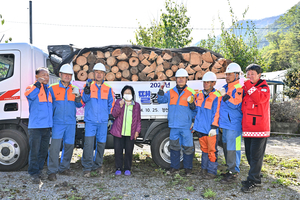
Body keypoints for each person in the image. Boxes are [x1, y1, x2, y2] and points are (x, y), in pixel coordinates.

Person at [47, 64, 83, 181]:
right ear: (60, 75)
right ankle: (52, 171)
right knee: (55, 147)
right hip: (57, 122)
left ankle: (64, 168)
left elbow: (79, 105)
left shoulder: (74, 88)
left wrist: (78, 97)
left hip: (71, 122)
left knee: (69, 146)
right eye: (65, 74)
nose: (67, 77)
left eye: (69, 75)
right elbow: (49, 106)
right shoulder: (52, 88)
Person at [157, 68, 196, 176]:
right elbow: (161, 100)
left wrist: (193, 120)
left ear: (186, 79)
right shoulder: (170, 92)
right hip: (174, 125)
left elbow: (196, 109)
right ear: (176, 79)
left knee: (188, 147)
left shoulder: (191, 93)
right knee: (174, 147)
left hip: (186, 125)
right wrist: (160, 91)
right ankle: (175, 168)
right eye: (179, 78)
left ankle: (188, 169)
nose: (181, 80)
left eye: (183, 78)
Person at [81, 63, 115, 177]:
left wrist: (110, 116)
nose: (99, 74)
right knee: (89, 144)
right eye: (97, 72)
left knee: (101, 144)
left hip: (103, 122)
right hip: (90, 121)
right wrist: (86, 89)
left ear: (104, 74)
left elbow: (112, 103)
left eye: (101, 72)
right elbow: (84, 100)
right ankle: (87, 167)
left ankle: (98, 165)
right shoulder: (89, 86)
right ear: (94, 73)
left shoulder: (108, 89)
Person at [241, 64, 270, 193]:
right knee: (249, 154)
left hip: (259, 128)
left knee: (255, 156)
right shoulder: (246, 87)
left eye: (252, 73)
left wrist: (247, 85)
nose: (249, 76)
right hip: (248, 127)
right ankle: (255, 174)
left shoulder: (264, 87)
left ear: (259, 75)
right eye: (248, 74)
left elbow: (258, 99)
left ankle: (254, 181)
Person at [25, 67, 53, 184]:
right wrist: (38, 84)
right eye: (43, 75)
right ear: (37, 76)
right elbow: (29, 96)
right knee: (34, 151)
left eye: (47, 75)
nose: (46, 77)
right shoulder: (31, 87)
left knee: (43, 151)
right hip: (36, 126)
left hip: (47, 126)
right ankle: (33, 173)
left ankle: (39, 170)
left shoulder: (49, 90)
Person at [192, 72, 221, 179]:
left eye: (207, 82)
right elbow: (196, 110)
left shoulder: (216, 96)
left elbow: (217, 112)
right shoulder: (199, 94)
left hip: (210, 129)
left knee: (212, 151)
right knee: (204, 150)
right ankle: (204, 170)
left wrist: (214, 127)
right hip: (200, 128)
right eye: (204, 82)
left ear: (213, 83)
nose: (205, 84)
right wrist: (191, 105)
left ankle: (212, 172)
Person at [218, 63, 243, 183]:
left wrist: (225, 96)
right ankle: (230, 169)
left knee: (234, 149)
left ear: (237, 75)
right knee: (227, 148)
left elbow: (235, 105)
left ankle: (233, 172)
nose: (227, 77)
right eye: (226, 74)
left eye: (229, 74)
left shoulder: (238, 88)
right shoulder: (225, 87)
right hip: (225, 124)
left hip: (234, 125)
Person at [110, 85, 141, 176]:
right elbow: (114, 114)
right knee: (118, 151)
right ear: (122, 94)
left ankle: (127, 168)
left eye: (129, 93)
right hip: (118, 132)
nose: (127, 94)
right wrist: (120, 106)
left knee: (129, 151)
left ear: (132, 94)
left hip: (130, 133)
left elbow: (138, 120)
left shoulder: (136, 105)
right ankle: (118, 168)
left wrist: (137, 131)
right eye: (125, 93)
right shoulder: (118, 102)